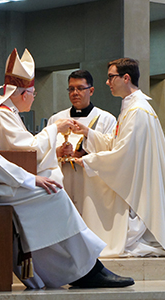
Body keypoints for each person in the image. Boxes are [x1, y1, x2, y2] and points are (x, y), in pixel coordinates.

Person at [0, 59, 135, 289]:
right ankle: (85, 270)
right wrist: (30, 178)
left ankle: (84, 268)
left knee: (49, 195)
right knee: (53, 194)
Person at [71, 57, 165, 277]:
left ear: (126, 77)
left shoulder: (138, 110)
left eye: (111, 77)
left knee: (96, 187)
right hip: (140, 180)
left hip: (141, 186)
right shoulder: (133, 107)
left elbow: (124, 155)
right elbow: (120, 144)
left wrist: (88, 161)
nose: (107, 82)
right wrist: (88, 134)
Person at [0, 48, 71, 185]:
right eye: (33, 94)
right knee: (54, 181)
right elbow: (30, 150)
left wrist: (56, 151)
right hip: (0, 182)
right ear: (25, 95)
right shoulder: (4, 113)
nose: (33, 98)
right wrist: (55, 128)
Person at [47, 70, 116, 210]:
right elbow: (45, 149)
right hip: (63, 180)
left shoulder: (106, 119)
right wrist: (58, 152)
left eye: (80, 88)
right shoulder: (56, 119)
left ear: (91, 91)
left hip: (91, 185)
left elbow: (111, 152)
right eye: (71, 89)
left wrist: (84, 154)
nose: (75, 93)